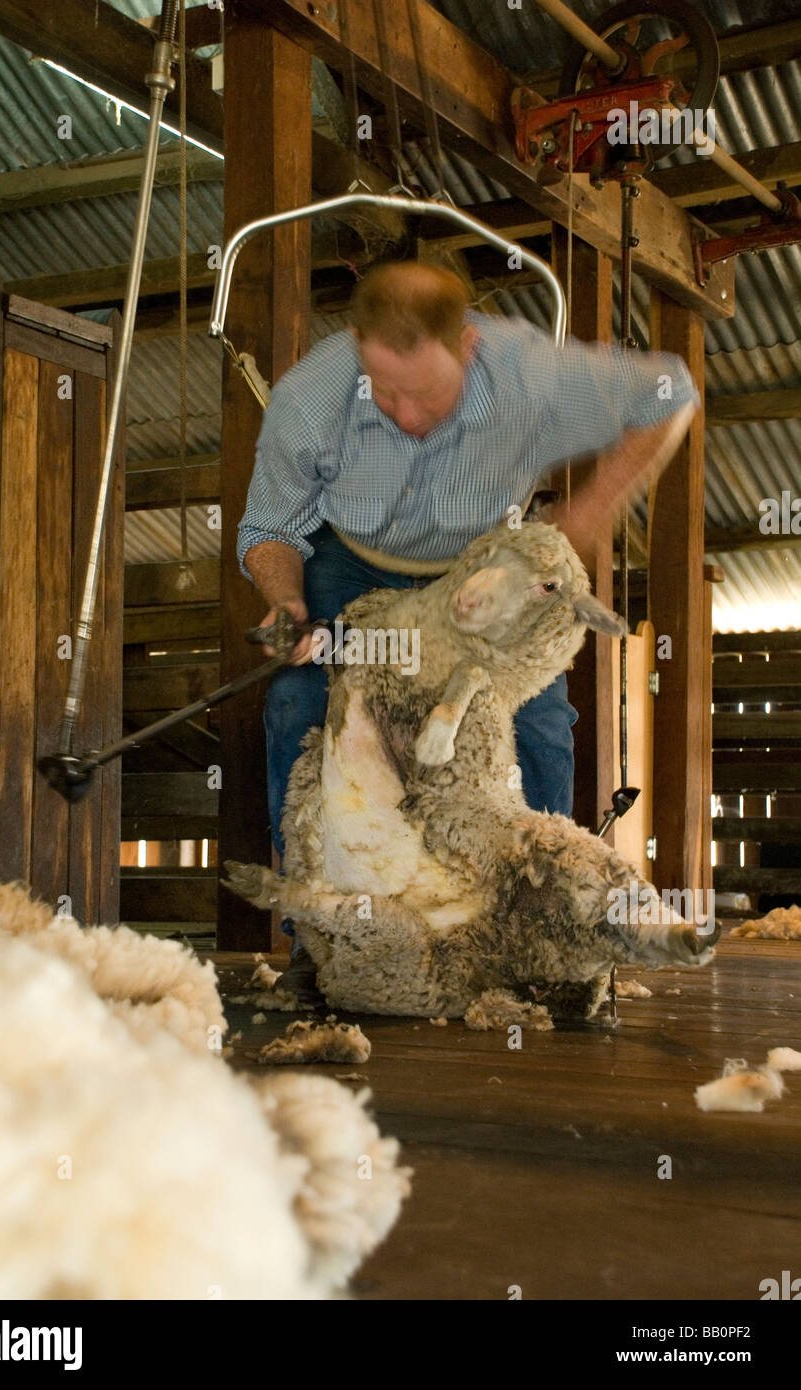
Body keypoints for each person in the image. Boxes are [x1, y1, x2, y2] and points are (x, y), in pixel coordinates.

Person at [236, 261, 698, 1001]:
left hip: (485, 570)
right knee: (297, 705)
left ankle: (549, 941)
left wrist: (588, 515)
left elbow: (672, 390)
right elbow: (267, 528)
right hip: (354, 565)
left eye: (424, 392)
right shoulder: (310, 397)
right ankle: (317, 944)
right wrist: (286, 599)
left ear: (469, 347)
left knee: (540, 727)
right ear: (356, 347)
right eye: (383, 390)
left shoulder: (529, 375)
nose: (405, 415)